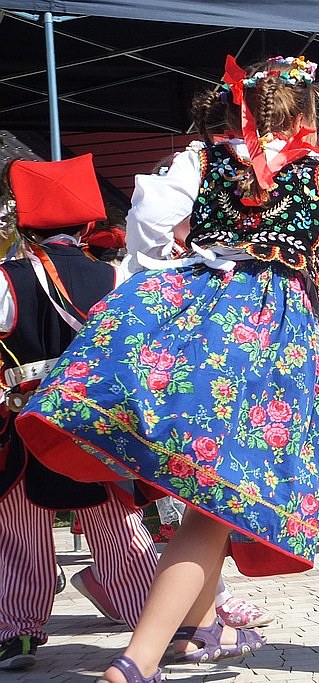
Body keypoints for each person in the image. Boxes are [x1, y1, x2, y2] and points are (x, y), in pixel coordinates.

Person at [14, 55, 319, 683]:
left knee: (206, 492)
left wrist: (182, 268)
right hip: (265, 341)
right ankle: (138, 660)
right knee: (218, 500)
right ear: (303, 114)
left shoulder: (200, 160)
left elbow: (150, 226)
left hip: (196, 323)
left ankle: (197, 626)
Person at [0, 155, 158, 670]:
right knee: (118, 527)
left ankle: (17, 630)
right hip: (95, 427)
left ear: (24, 224)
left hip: (24, 423)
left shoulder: (5, 280)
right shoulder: (115, 275)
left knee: (20, 529)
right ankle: (153, 622)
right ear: (87, 223)